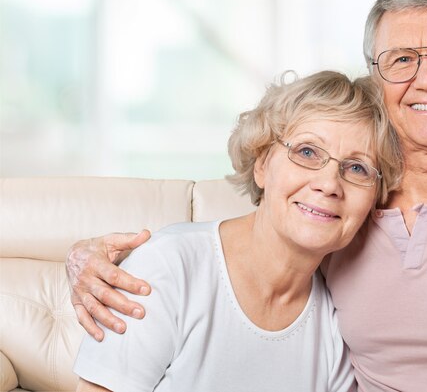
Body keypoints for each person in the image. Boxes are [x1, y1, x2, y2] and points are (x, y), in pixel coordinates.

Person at [67, 0, 427, 392]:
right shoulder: (340, 215)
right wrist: (88, 257)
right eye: (402, 59)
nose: (426, 77)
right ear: (377, 81)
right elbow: (229, 240)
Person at [71, 70, 403, 392]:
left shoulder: (337, 324)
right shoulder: (169, 267)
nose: (330, 184)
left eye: (357, 168)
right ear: (262, 164)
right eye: (307, 152)